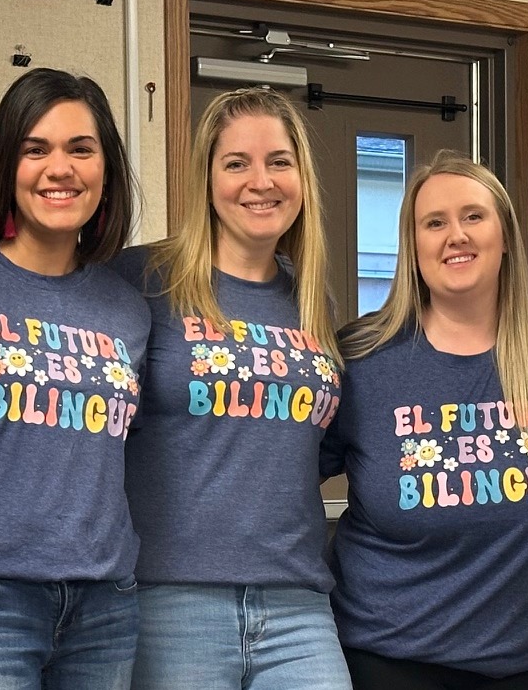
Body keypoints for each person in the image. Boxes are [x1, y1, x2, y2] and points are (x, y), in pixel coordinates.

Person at [109, 86, 349, 689]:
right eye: (236, 163)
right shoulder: (142, 280)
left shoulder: (311, 298)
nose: (260, 181)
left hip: (298, 603)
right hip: (172, 601)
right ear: (207, 179)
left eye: (279, 162)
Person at [0, 67, 146, 689]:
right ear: (5, 167)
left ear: (106, 167)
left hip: (106, 600)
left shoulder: (127, 306)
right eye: (35, 149)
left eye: (81, 148)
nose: (60, 168)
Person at [322, 151, 528, 689]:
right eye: (434, 223)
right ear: (413, 247)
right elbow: (279, 483)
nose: (455, 235)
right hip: (387, 663)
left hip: (527, 667)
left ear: (505, 236)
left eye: (473, 216)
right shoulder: (362, 358)